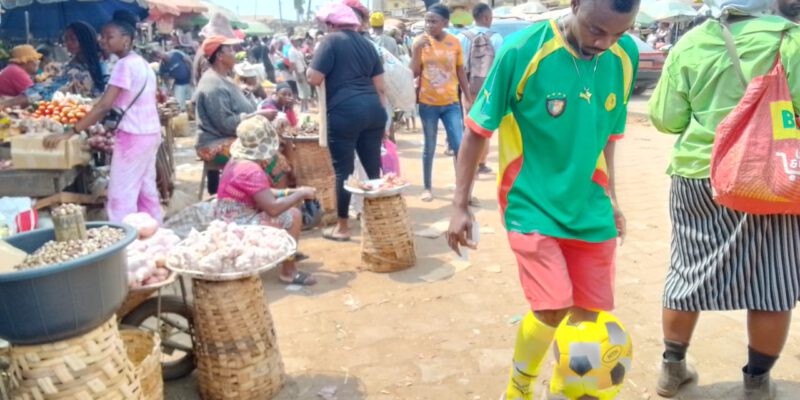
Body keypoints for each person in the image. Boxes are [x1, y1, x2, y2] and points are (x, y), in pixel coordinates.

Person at [447, 0, 639, 397]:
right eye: (596, 30)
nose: (605, 43)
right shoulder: (521, 51)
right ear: (575, 5)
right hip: (530, 201)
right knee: (551, 307)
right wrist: (459, 206)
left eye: (618, 33)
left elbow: (609, 136)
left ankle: (568, 390)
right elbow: (476, 131)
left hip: (591, 206)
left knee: (587, 317)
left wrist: (614, 198)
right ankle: (520, 387)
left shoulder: (625, 55)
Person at [648, 3, 800, 398]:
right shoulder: (791, 40)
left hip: (698, 174)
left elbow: (666, 118)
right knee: (772, 282)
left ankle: (672, 369)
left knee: (687, 271)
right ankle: (756, 383)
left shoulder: (692, 42)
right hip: (768, 180)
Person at [45, 11, 163, 224]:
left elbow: (104, 106)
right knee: (146, 188)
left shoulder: (123, 65)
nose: (102, 40)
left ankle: (125, 238)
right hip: (150, 132)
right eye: (102, 36)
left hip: (132, 136)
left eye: (109, 36)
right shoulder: (142, 63)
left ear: (126, 40)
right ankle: (154, 230)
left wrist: (72, 131)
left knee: (120, 193)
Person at [307, 2, 387, 242]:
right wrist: (384, 123)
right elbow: (380, 87)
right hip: (373, 111)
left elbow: (313, 77)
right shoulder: (369, 45)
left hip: (344, 112)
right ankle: (377, 221)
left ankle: (342, 228)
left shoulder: (331, 41)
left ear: (332, 24)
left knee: (344, 170)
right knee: (373, 168)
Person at [215, 115, 317, 286]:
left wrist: (290, 192)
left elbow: (261, 192)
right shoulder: (251, 170)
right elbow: (273, 209)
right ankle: (289, 272)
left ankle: (286, 251)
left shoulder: (237, 161)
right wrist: (299, 194)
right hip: (239, 222)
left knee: (289, 204)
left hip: (229, 215)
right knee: (293, 215)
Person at [194, 36, 272, 196]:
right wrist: (255, 116)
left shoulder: (224, 79)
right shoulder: (212, 84)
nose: (235, 53)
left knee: (274, 143)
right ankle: (262, 199)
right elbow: (225, 124)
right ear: (220, 56)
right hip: (213, 144)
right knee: (267, 155)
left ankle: (264, 197)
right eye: (230, 50)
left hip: (227, 137)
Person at [413, 4, 472, 202]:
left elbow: (461, 71)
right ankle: (427, 187)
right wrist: (415, 50)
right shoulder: (420, 42)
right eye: (427, 21)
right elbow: (413, 72)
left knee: (459, 146)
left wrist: (468, 97)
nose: (429, 25)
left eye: (433, 21)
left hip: (451, 104)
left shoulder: (454, 42)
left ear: (445, 23)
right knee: (429, 146)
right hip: (427, 104)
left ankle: (462, 191)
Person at [458, 3, 504, 175]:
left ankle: (469, 162)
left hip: (468, 88)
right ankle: (482, 162)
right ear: (486, 17)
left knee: (469, 125)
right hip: (489, 90)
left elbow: (459, 67)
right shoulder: (497, 38)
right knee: (485, 124)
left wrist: (463, 91)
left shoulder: (462, 37)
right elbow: (500, 67)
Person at [289, 35, 311, 112]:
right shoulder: (291, 51)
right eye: (296, 40)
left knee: (305, 90)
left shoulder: (298, 50)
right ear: (292, 42)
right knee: (302, 90)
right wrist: (298, 76)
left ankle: (305, 107)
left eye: (298, 40)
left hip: (303, 71)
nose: (297, 42)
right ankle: (303, 108)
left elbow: (302, 60)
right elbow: (293, 65)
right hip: (298, 72)